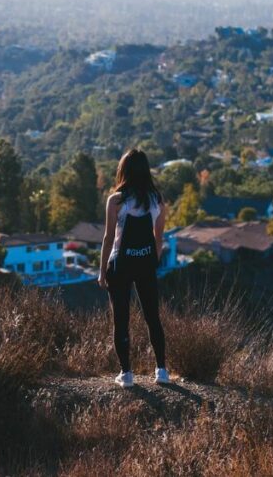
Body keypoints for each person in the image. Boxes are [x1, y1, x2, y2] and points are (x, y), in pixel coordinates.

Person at [98, 148, 170, 388]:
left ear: (123, 170)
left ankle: (126, 374)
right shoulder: (157, 199)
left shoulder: (116, 200)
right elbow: (158, 236)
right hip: (146, 263)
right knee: (153, 317)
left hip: (121, 264)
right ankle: (161, 371)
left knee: (121, 319)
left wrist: (101, 271)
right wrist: (153, 259)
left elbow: (109, 238)